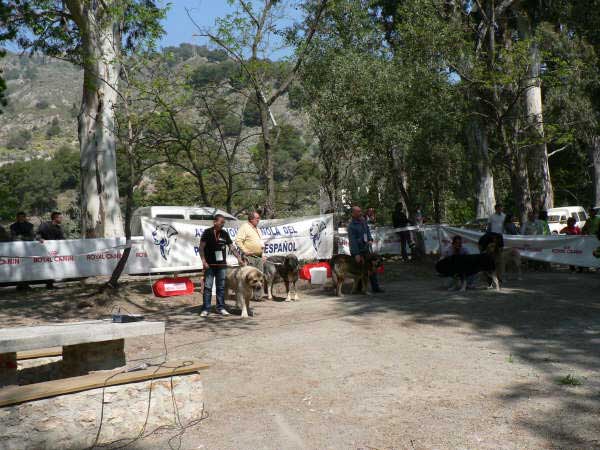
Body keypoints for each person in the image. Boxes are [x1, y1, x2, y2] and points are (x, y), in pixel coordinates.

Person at [199, 214, 245, 317]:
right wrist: (203, 261)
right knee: (208, 287)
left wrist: (239, 258)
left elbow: (232, 247)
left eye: (224, 222)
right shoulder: (207, 232)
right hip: (209, 265)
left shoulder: (224, 233)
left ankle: (221, 308)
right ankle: (206, 308)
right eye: (221, 222)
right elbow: (201, 248)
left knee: (221, 287)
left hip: (221, 266)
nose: (223, 224)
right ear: (215, 222)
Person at [347, 205, 384, 293]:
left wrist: (370, 239)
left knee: (372, 268)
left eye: (360, 211)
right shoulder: (351, 226)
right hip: (358, 251)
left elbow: (367, 232)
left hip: (366, 249)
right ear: (353, 213)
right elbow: (352, 241)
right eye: (358, 212)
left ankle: (376, 287)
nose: (360, 213)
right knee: (359, 269)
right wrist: (356, 254)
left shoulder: (363, 222)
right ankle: (359, 289)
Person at [38, 212, 65, 289]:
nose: (61, 219)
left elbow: (62, 239)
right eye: (60, 217)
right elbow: (38, 234)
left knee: (53, 266)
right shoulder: (44, 225)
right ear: (55, 218)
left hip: (54, 251)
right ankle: (48, 283)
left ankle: (50, 284)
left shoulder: (59, 228)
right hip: (43, 250)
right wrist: (40, 239)